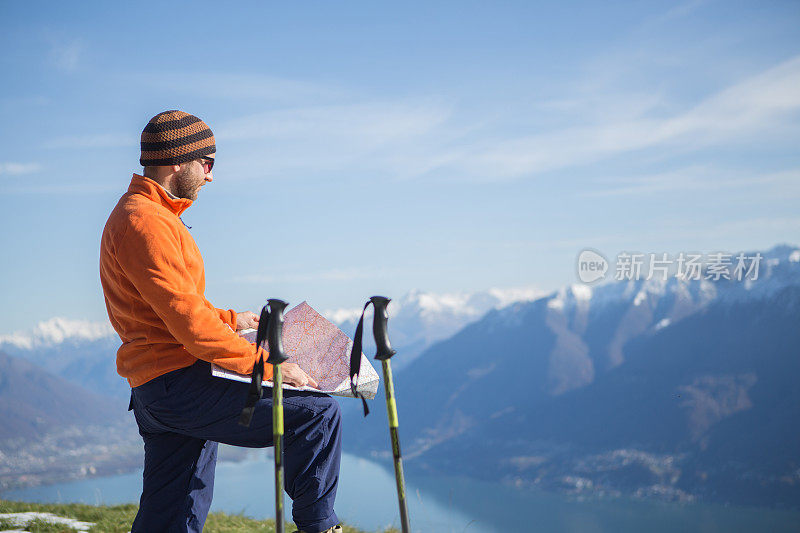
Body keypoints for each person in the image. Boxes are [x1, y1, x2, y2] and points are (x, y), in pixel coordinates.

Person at [99, 110, 343, 533]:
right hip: (179, 382)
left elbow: (173, 307)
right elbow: (190, 326)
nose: (210, 176)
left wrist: (231, 318)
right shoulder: (147, 223)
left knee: (171, 510)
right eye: (207, 163)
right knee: (316, 414)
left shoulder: (147, 216)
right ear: (178, 159)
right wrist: (268, 366)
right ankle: (319, 527)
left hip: (157, 386)